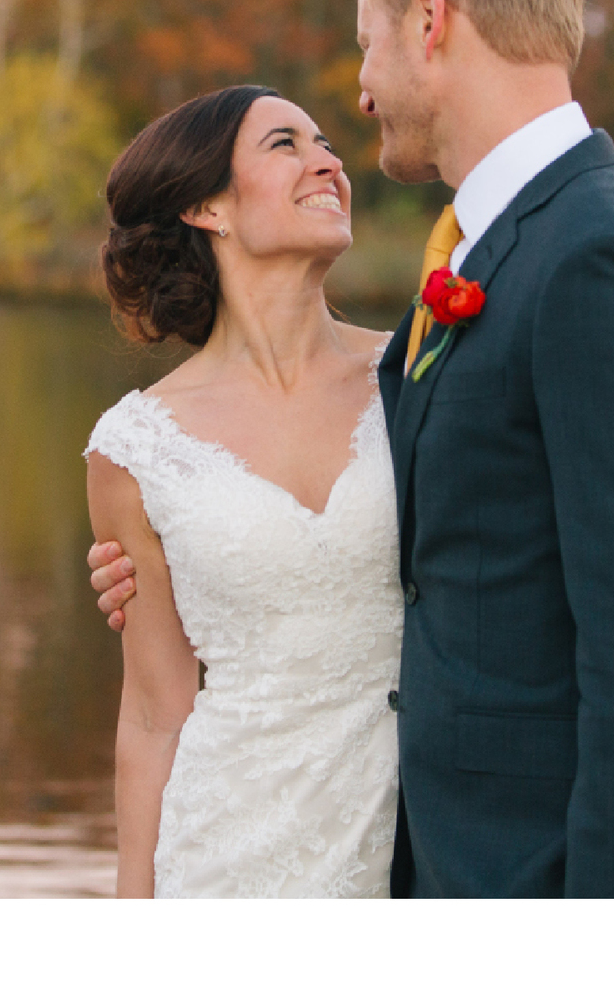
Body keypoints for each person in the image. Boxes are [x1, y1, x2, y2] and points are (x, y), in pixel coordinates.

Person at [90, 0, 614, 897]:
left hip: (562, 875)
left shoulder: (602, 262)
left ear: (426, 16)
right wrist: (185, 571)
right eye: (289, 141)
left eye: (365, 44)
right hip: (394, 858)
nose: (357, 96)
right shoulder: (485, 272)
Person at [84, 84, 400, 897]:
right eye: (285, 144)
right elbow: (155, 713)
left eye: (327, 143)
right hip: (223, 859)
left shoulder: (416, 376)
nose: (328, 160)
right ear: (206, 206)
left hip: (410, 842)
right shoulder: (136, 447)